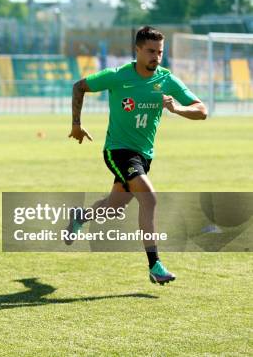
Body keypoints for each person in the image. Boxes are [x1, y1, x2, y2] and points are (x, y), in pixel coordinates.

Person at [67, 26, 207, 285]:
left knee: (113, 207)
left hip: (144, 155)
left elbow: (201, 110)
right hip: (118, 150)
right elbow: (79, 86)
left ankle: (81, 216)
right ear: (138, 51)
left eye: (160, 52)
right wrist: (76, 124)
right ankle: (155, 265)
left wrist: (177, 109)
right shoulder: (119, 76)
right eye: (151, 52)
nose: (156, 57)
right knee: (149, 199)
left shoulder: (166, 79)